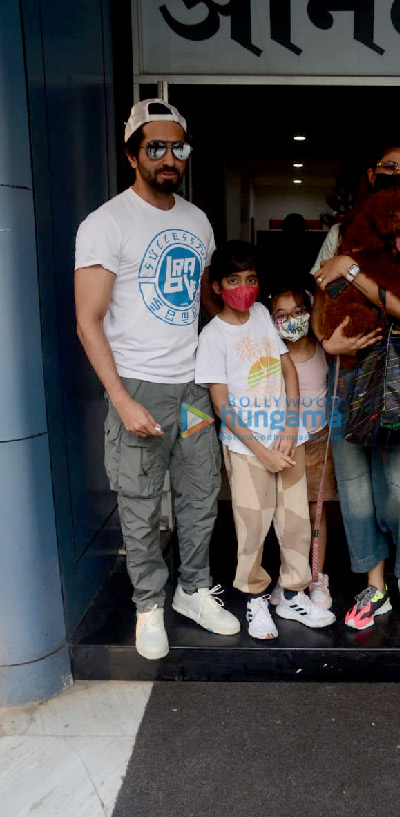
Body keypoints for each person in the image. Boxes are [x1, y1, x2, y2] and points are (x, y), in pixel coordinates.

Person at [74, 99, 240, 661]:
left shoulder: (197, 221)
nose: (170, 157)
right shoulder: (106, 223)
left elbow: (198, 307)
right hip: (138, 389)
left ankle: (193, 590)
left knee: (198, 498)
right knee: (141, 504)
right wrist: (120, 400)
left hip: (192, 388)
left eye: (178, 147)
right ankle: (150, 604)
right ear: (132, 154)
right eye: (156, 147)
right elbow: (87, 320)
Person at [312, 141, 400, 631]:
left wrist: (350, 270)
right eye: (390, 166)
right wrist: (329, 343)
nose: (398, 173)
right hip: (349, 366)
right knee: (357, 482)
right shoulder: (338, 233)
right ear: (372, 174)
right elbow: (318, 300)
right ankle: (375, 583)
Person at [194, 241, 336, 640]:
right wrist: (261, 451)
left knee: (295, 522)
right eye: (234, 280)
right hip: (247, 450)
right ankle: (256, 599)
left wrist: (291, 427)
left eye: (251, 279)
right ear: (218, 286)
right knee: (252, 525)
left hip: (287, 441)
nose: (245, 287)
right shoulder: (214, 337)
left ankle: (290, 594)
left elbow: (287, 369)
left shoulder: (261, 315)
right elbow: (221, 405)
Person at [267, 277, 337, 610]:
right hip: (285, 443)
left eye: (298, 311)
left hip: (320, 440)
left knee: (316, 511)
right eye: (281, 315)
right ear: (270, 320)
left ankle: (316, 575)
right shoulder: (271, 357)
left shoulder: (325, 351)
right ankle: (290, 575)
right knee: (288, 514)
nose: (290, 320)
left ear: (310, 312)